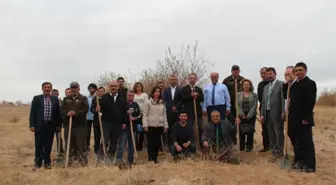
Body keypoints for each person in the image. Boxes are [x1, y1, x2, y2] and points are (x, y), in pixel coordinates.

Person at [288, 62, 317, 173]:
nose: (298, 72)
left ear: (305, 70)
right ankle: (299, 161)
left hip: (304, 118)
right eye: (296, 70)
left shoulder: (310, 83)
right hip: (293, 118)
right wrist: (288, 82)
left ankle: (310, 165)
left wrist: (305, 118)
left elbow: (310, 102)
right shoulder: (294, 84)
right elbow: (287, 96)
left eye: (300, 70)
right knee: (296, 141)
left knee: (306, 141)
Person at [29, 82, 62, 170]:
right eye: (45, 87)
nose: (47, 89)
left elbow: (57, 114)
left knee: (48, 145)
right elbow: (33, 113)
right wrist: (32, 125)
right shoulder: (37, 99)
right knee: (39, 145)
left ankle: (47, 163)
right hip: (40, 125)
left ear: (51, 89)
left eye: (49, 87)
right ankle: (37, 163)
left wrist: (59, 125)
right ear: (42, 88)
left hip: (50, 125)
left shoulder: (55, 99)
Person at [98, 80, 128, 163]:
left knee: (114, 142)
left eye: (115, 86)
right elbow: (99, 110)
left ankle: (110, 159)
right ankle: (100, 159)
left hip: (117, 123)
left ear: (118, 87)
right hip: (106, 122)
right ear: (109, 87)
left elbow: (124, 111)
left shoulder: (122, 98)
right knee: (105, 140)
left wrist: (124, 122)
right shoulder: (104, 97)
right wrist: (98, 110)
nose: (113, 88)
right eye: (111, 86)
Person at [61, 82, 89, 167]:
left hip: (80, 126)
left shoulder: (83, 98)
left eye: (75, 87)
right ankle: (68, 163)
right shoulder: (66, 99)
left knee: (80, 145)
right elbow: (62, 110)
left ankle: (83, 163)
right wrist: (67, 113)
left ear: (78, 88)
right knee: (69, 145)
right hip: (68, 125)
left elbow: (85, 109)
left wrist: (75, 112)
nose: (74, 89)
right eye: (72, 88)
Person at [260, 68, 285, 158]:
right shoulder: (266, 87)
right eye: (267, 74)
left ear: (275, 74)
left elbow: (283, 100)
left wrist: (283, 111)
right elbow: (263, 102)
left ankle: (280, 151)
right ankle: (274, 151)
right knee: (271, 133)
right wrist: (262, 114)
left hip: (277, 113)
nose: (269, 76)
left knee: (278, 132)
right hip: (267, 113)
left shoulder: (281, 84)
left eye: (270, 74)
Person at [142, 87, 169, 163]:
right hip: (150, 126)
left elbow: (164, 115)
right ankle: (150, 159)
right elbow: (145, 114)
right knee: (151, 143)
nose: (157, 93)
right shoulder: (148, 102)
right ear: (153, 93)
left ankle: (155, 158)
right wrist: (145, 125)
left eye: (158, 92)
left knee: (157, 143)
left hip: (159, 126)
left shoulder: (162, 103)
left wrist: (166, 125)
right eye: (155, 92)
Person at [116, 90, 141, 165]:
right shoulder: (123, 104)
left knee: (132, 144)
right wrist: (123, 121)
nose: (131, 97)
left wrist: (134, 118)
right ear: (126, 96)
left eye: (132, 96)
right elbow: (119, 115)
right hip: (124, 127)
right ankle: (119, 160)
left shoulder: (136, 105)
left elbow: (139, 115)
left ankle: (130, 160)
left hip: (133, 127)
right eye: (129, 95)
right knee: (122, 144)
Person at [222, 65, 245, 144]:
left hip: (240, 105)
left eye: (237, 70)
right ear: (231, 71)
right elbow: (223, 92)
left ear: (239, 71)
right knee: (231, 124)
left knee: (241, 123)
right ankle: (233, 141)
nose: (235, 71)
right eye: (234, 70)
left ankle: (241, 143)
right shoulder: (226, 80)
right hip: (230, 106)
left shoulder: (243, 80)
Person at [180, 73, 204, 145]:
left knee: (200, 128)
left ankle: (200, 145)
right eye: (191, 78)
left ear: (196, 79)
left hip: (198, 112)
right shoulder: (184, 89)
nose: (192, 80)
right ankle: (190, 145)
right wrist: (191, 96)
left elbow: (202, 99)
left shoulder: (199, 89)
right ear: (188, 79)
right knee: (189, 129)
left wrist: (197, 95)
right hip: (188, 113)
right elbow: (182, 99)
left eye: (194, 78)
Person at [236, 79, 258, 152]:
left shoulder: (254, 94)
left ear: (250, 85)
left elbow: (255, 105)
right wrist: (241, 114)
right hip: (241, 115)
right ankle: (241, 147)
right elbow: (237, 105)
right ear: (242, 86)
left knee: (250, 131)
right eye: (244, 84)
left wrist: (249, 115)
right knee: (241, 131)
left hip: (251, 115)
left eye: (247, 84)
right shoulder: (238, 94)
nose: (246, 86)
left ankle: (249, 147)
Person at [163, 74, 182, 147]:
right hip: (169, 112)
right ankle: (169, 145)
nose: (173, 81)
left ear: (176, 80)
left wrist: (176, 107)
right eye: (171, 80)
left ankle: (178, 144)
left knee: (177, 128)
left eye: (174, 79)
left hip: (177, 112)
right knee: (169, 129)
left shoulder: (180, 90)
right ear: (169, 81)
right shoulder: (166, 90)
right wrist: (171, 107)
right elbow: (164, 100)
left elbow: (181, 100)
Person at [257, 67, 270, 152]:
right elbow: (259, 97)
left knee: (273, 128)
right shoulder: (260, 84)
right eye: (261, 73)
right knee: (264, 128)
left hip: (272, 109)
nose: (263, 75)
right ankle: (266, 146)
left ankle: (275, 146)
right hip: (263, 108)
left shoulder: (272, 83)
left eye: (264, 73)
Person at [133, 82, 148, 151]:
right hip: (134, 114)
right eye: (137, 86)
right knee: (135, 130)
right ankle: (135, 146)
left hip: (142, 114)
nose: (138, 88)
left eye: (140, 86)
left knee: (141, 130)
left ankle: (140, 146)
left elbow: (146, 104)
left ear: (142, 87)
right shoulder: (133, 94)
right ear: (135, 87)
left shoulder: (144, 94)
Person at [90, 86, 105, 158]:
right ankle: (96, 151)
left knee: (105, 137)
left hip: (105, 122)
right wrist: (96, 110)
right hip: (96, 122)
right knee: (97, 137)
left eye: (102, 91)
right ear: (97, 92)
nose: (101, 92)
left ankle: (102, 151)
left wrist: (103, 112)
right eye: (99, 91)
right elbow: (91, 109)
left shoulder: (106, 99)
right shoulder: (94, 99)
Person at [51, 89, 64, 155]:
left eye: (56, 94)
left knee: (59, 137)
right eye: (53, 94)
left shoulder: (61, 102)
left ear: (58, 94)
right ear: (51, 94)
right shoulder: (49, 101)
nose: (55, 95)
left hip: (58, 123)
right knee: (48, 138)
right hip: (49, 123)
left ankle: (60, 151)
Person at [86, 83, 98, 152]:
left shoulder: (97, 98)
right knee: (87, 133)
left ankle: (96, 147)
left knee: (96, 134)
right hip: (88, 117)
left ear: (95, 89)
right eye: (90, 88)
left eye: (93, 88)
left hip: (96, 118)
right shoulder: (86, 98)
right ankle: (87, 146)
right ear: (89, 89)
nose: (92, 90)